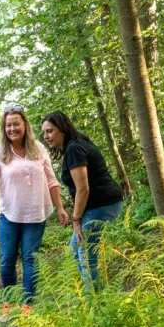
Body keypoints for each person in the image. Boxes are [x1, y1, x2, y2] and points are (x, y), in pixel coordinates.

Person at [0, 104, 69, 307]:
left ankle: (28, 306)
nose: (12, 129)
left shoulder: (38, 148)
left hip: (36, 215)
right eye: (8, 125)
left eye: (16, 124)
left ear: (24, 124)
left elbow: (52, 180)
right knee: (7, 261)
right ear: (4, 128)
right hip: (9, 215)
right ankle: (8, 305)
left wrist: (61, 208)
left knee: (30, 259)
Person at [41, 111, 124, 286]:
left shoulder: (74, 149)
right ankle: (94, 295)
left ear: (62, 130)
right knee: (75, 251)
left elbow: (83, 189)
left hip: (101, 204)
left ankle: (94, 303)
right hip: (99, 204)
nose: (46, 137)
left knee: (85, 255)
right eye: (44, 132)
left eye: (50, 131)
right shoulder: (76, 145)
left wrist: (76, 219)